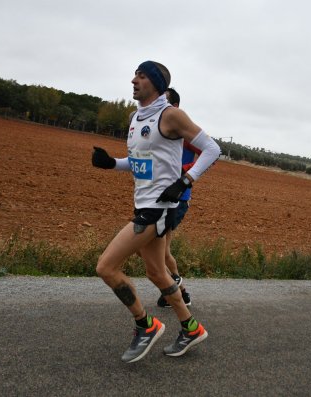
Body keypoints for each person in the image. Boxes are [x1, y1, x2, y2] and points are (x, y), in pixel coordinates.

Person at [91, 60, 221, 363]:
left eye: (143, 76)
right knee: (156, 271)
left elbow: (213, 148)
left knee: (106, 267)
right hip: (143, 203)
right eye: (135, 74)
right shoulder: (136, 118)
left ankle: (145, 325)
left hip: (157, 209)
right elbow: (140, 163)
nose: (134, 80)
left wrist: (185, 180)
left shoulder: (170, 115)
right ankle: (191, 328)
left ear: (157, 84)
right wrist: (112, 163)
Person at [156, 87, 202, 309]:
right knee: (160, 251)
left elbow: (209, 152)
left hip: (178, 198)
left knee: (161, 252)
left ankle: (179, 292)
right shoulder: (162, 130)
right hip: (158, 196)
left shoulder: (184, 132)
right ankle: (175, 292)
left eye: (163, 100)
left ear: (174, 107)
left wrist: (185, 170)